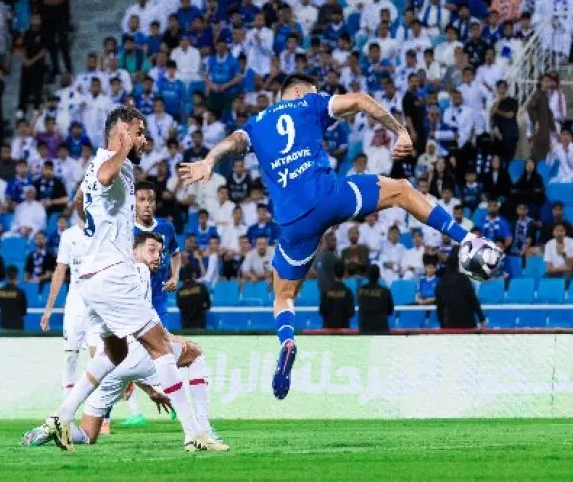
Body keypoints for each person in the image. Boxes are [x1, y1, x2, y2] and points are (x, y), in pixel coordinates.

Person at [179, 74, 498, 399]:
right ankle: (467, 238)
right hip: (329, 196)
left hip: (292, 221)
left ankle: (287, 340)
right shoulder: (309, 103)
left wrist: (207, 161)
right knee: (401, 190)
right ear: (301, 91)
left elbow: (230, 143)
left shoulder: (255, 125)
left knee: (283, 292)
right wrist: (399, 130)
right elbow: (360, 99)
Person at [39, 108, 225, 452]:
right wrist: (124, 148)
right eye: (139, 132)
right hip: (112, 274)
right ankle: (194, 434)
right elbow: (108, 178)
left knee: (116, 349)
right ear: (122, 132)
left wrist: (99, 225)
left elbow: (81, 201)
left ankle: (62, 415)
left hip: (90, 280)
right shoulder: (114, 163)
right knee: (161, 347)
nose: (144, 140)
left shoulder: (94, 166)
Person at [23, 232, 221, 448]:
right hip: (137, 352)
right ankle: (201, 432)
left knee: (88, 433)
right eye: (152, 249)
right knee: (195, 354)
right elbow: (147, 332)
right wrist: (167, 348)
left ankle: (50, 429)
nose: (158, 256)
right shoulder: (140, 271)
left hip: (108, 362)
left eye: (161, 252)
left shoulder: (106, 279)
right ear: (133, 251)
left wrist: (148, 389)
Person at [42, 221, 88, 396]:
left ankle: (103, 419)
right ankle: (65, 416)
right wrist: (49, 308)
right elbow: (60, 272)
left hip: (99, 301)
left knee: (99, 357)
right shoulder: (69, 235)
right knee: (70, 355)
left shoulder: (104, 229)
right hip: (76, 302)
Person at [133, 181, 181, 321]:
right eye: (142, 200)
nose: (147, 204)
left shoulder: (166, 227)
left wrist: (175, 276)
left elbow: (175, 252)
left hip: (158, 300)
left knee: (161, 342)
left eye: (151, 200)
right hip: (131, 300)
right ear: (134, 203)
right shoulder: (125, 229)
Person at [435, 247, 486, 330]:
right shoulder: (463, 279)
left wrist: (442, 326)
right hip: (467, 324)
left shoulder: (441, 282)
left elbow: (439, 308)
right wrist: (482, 318)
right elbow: (473, 300)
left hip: (449, 324)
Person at [357, 265, 394, 334]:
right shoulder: (385, 291)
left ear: (367, 275)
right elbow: (390, 311)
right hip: (381, 331)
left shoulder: (360, 291)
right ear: (379, 275)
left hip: (364, 330)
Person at [319, 261, 355, 329]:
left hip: (329, 329)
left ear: (334, 273)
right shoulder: (348, 292)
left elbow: (322, 311)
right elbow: (351, 313)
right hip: (344, 329)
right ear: (345, 273)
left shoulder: (326, 291)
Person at [0, 265, 27, 330]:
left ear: (6, 276)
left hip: (4, 326)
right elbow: (24, 311)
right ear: (17, 276)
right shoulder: (20, 292)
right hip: (17, 327)